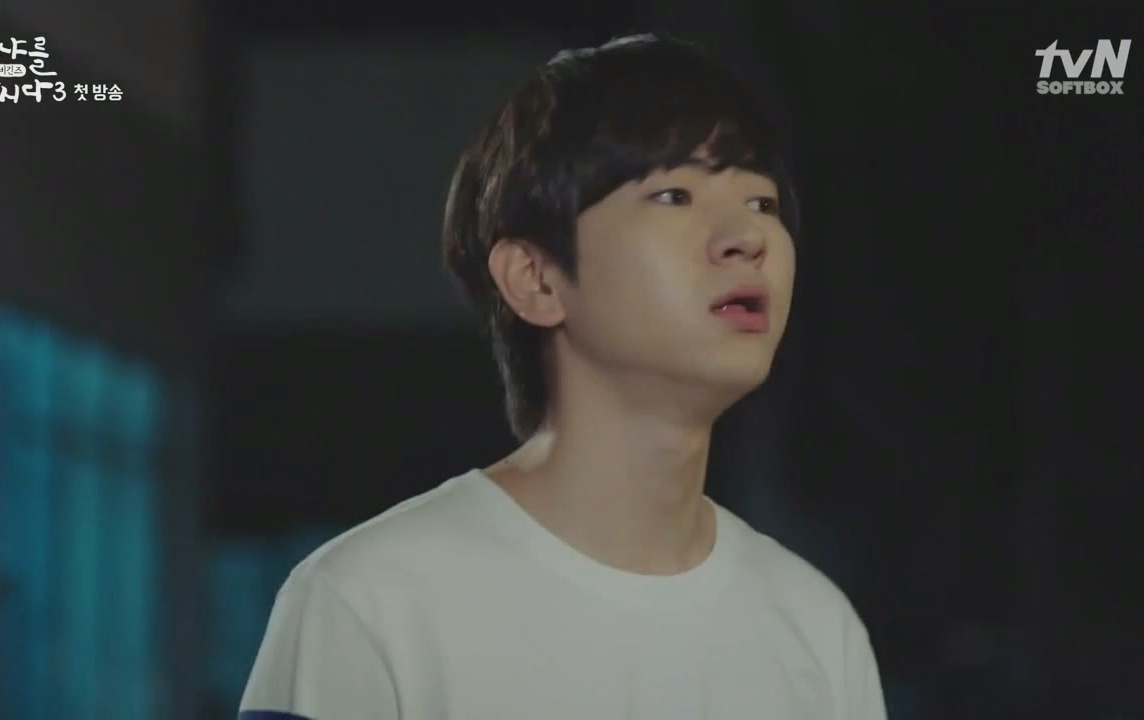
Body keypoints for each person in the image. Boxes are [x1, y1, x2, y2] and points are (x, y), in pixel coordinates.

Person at [239, 32, 888, 720]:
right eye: (674, 195)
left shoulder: (815, 629)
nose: (749, 238)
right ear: (536, 279)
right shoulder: (369, 605)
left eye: (762, 204)